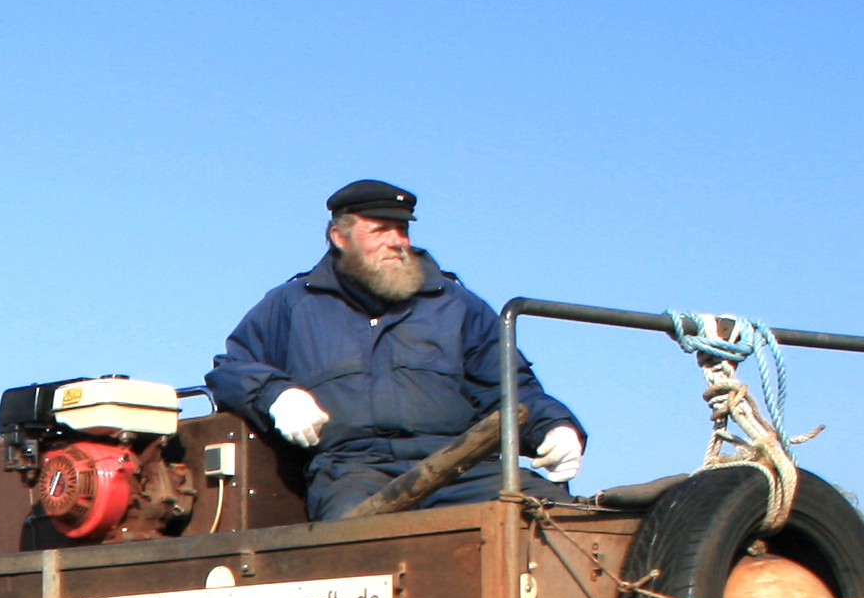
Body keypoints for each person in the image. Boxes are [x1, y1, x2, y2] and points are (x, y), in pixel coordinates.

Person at [203, 180, 585, 521]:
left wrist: (554, 426)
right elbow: (230, 368)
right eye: (381, 230)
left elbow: (509, 386)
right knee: (353, 545)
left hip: (463, 468)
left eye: (401, 229)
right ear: (340, 237)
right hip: (355, 471)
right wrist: (277, 395)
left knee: (568, 520)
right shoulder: (291, 305)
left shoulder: (456, 304)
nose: (397, 241)